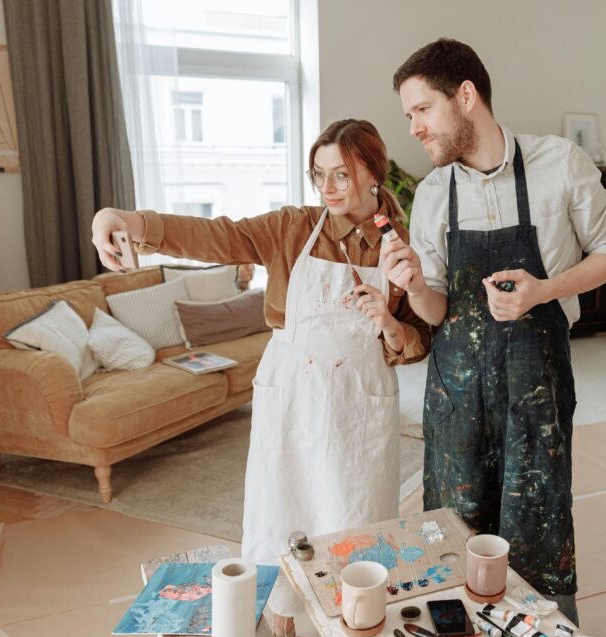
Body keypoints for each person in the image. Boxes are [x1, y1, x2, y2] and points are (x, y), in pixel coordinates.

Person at [90, 119, 431, 567]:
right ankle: (282, 625)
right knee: (280, 521)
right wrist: (129, 221)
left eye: (341, 174)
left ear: (373, 173)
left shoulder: (398, 248)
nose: (326, 187)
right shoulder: (291, 229)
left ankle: (350, 625)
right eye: (318, 174)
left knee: (356, 524)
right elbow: (216, 236)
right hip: (290, 397)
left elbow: (418, 338)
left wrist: (388, 324)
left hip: (357, 410)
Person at [385, 39, 606, 624]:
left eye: (421, 110)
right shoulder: (430, 194)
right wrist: (416, 285)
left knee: (538, 520)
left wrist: (543, 291)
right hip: (455, 400)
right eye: (409, 116)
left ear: (465, 96)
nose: (415, 128)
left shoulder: (560, 163)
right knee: (453, 526)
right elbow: (439, 310)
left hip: (534, 388)